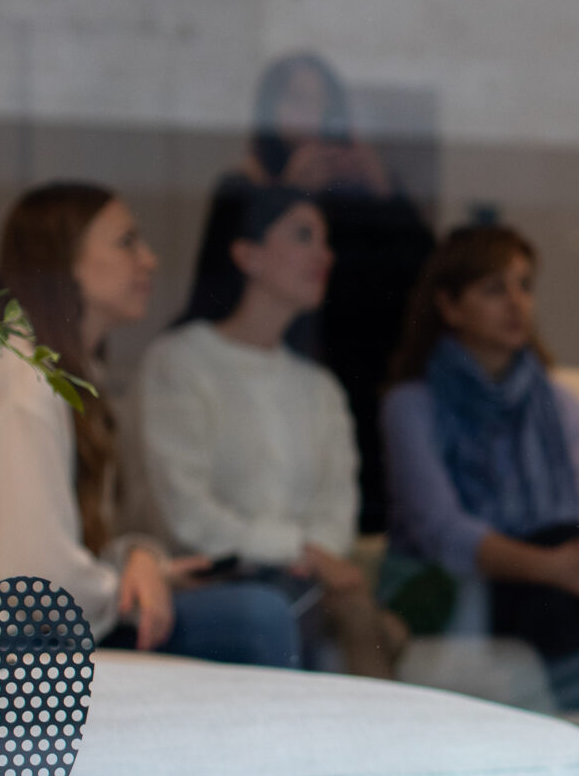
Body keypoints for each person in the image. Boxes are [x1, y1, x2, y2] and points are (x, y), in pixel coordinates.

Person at [0, 183, 303, 666]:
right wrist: (125, 588)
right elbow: (39, 580)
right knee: (256, 618)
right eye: (126, 242)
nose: (150, 260)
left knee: (257, 610)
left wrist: (141, 560)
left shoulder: (67, 374)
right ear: (65, 260)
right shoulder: (22, 380)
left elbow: (63, 555)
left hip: (34, 636)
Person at [382, 222, 579, 711]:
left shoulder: (558, 403)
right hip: (461, 585)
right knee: (562, 568)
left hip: (553, 578)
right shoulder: (412, 406)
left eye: (524, 286)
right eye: (493, 289)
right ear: (449, 306)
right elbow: (444, 532)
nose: (516, 303)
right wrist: (554, 566)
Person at [135, 180, 399, 678]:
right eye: (303, 236)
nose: (324, 255)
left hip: (310, 592)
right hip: (213, 588)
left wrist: (313, 557)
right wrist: (300, 551)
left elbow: (337, 511)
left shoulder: (320, 387)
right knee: (279, 613)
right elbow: (186, 516)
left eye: (325, 240)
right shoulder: (180, 361)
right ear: (247, 254)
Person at [241, 52, 434, 536]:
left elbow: (425, 278)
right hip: (279, 367)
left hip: (363, 372)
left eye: (323, 102)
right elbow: (224, 284)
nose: (312, 114)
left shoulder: (360, 190)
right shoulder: (246, 185)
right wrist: (288, 193)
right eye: (298, 99)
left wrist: (380, 187)